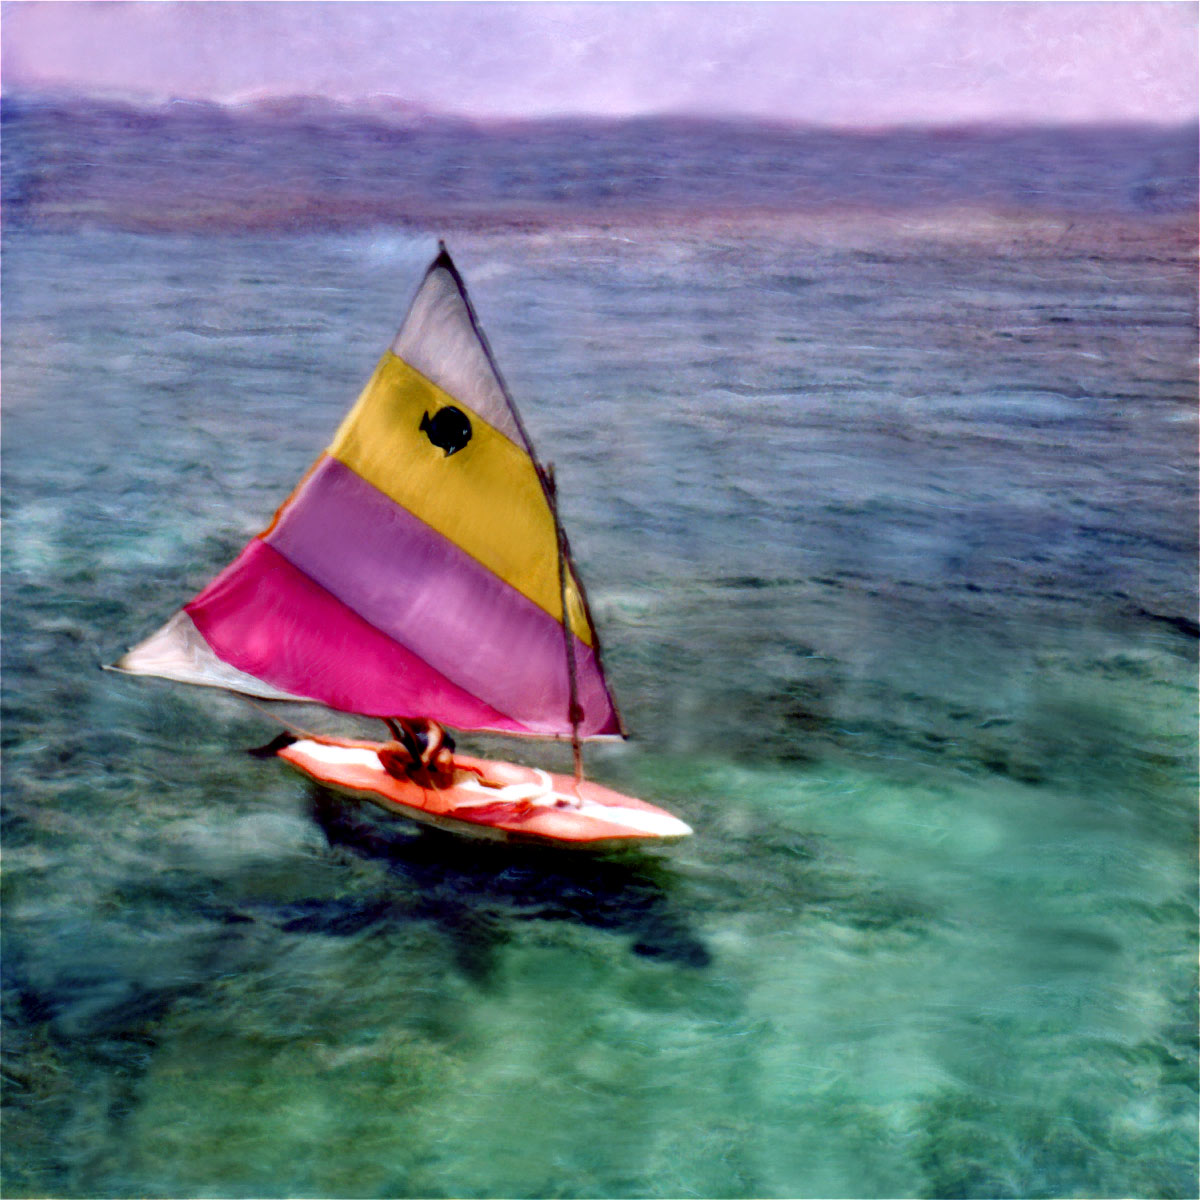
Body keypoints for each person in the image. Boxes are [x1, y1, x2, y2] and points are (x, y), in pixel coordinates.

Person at [378, 717, 457, 787]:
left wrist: (428, 755)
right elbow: (394, 729)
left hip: (434, 744)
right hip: (412, 743)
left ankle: (446, 783)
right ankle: (405, 778)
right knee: (383, 751)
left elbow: (436, 732)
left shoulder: (420, 709)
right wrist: (397, 753)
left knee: (443, 762)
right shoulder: (390, 709)